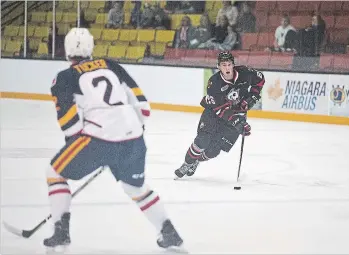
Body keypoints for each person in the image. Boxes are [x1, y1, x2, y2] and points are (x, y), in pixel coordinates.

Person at [44, 28, 184, 252]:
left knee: (55, 173)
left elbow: (70, 124)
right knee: (134, 187)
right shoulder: (111, 65)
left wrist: (88, 149)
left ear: (66, 50)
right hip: (134, 138)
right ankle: (169, 232)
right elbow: (144, 108)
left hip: (98, 140)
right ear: (91, 47)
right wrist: (127, 131)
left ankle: (61, 231)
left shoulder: (64, 77)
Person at [174, 51, 265, 178]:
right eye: (223, 65)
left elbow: (260, 80)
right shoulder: (214, 83)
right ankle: (187, 163)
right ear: (218, 66)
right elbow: (220, 109)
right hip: (213, 114)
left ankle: (196, 161)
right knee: (202, 141)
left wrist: (253, 96)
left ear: (233, 65)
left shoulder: (246, 73)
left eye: (229, 64)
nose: (227, 68)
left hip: (237, 113)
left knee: (214, 151)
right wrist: (237, 122)